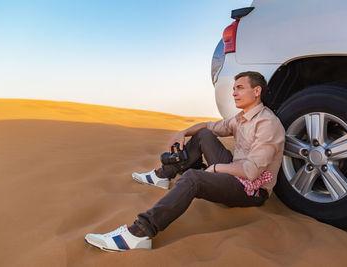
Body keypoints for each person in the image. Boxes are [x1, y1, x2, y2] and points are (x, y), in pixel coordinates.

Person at [84, 71, 286, 252]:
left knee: (193, 178)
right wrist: (183, 132)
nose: (234, 93)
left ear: (257, 91)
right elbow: (209, 126)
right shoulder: (241, 118)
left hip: (252, 189)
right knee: (204, 135)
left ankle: (139, 233)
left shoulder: (267, 124)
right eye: (233, 89)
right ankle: (164, 175)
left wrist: (214, 168)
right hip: (235, 170)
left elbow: (251, 172)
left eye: (240, 88)